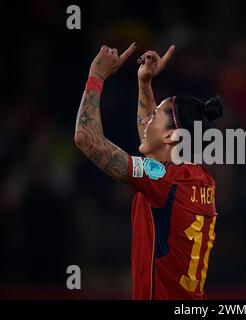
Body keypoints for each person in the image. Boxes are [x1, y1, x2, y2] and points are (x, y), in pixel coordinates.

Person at [74, 43, 223, 299]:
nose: (146, 121)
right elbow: (154, 146)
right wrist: (145, 84)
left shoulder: (164, 180)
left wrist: (96, 77)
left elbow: (86, 138)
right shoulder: (199, 177)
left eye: (154, 116)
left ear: (171, 136)